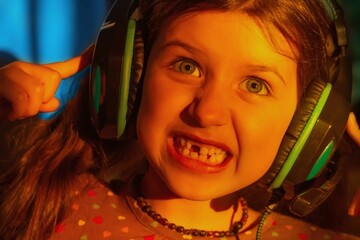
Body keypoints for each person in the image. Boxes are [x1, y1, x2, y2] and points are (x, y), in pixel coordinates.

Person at [0, 0, 359, 239]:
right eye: (187, 67)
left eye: (255, 85)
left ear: (310, 120)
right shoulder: (46, 204)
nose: (207, 112)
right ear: (131, 77)